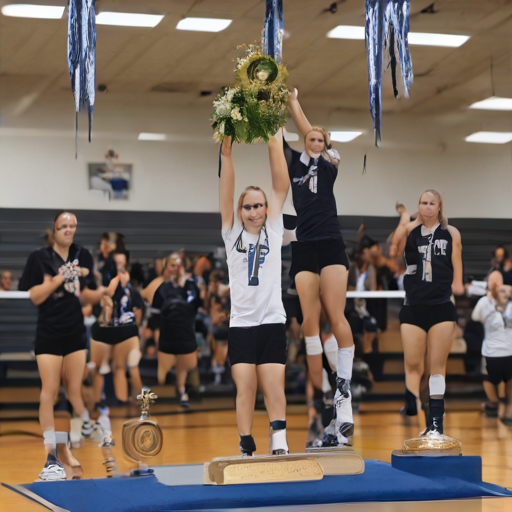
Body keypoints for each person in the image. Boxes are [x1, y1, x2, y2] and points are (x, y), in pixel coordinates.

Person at [286, 88, 355, 448]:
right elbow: (282, 139)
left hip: (329, 243)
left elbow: (307, 130)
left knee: (335, 314)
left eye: (319, 138)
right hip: (302, 246)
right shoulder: (295, 162)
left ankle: (344, 395)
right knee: (309, 324)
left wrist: (294, 102)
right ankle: (322, 402)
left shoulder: (330, 162)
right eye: (309, 138)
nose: (314, 140)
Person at [19, 212, 105, 480]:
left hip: (75, 333)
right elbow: (34, 296)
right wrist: (59, 278)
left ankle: (73, 444)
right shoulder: (40, 257)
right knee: (50, 390)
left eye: (72, 226)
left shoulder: (83, 254)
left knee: (75, 392)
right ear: (53, 230)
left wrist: (105, 292)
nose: (68, 230)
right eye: (63, 226)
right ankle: (51, 457)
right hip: (48, 332)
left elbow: (87, 295)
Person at [220, 131, 290, 456]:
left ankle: (279, 441)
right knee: (245, 387)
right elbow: (226, 189)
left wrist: (274, 140)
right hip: (241, 325)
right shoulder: (231, 232)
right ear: (240, 209)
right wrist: (226, 154)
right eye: (248, 207)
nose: (254, 211)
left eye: (259, 206)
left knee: (274, 384)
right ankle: (246, 443)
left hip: (272, 320)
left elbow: (281, 186)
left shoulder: (274, 229)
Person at [390, 191, 464, 436]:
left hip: (441, 306)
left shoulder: (451, 233)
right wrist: (407, 219)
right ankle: (412, 406)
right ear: (418, 206)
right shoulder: (410, 232)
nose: (428, 207)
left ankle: (435, 425)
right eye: (423, 203)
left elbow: (457, 271)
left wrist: (459, 285)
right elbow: (394, 248)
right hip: (413, 308)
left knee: (437, 367)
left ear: (440, 206)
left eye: (432, 203)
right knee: (412, 366)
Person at [89, 249, 143, 425]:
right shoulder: (107, 284)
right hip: (107, 330)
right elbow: (102, 306)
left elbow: (138, 316)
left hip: (125, 330)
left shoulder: (132, 291)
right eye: (116, 264)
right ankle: (97, 404)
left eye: (123, 264)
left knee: (123, 366)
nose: (120, 268)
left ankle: (129, 403)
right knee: (101, 367)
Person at [152, 252, 201, 406]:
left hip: (185, 332)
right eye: (173, 266)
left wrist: (187, 285)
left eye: (179, 266)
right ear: (167, 268)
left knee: (185, 364)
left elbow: (197, 303)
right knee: (163, 373)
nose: (176, 269)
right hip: (167, 333)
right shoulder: (162, 288)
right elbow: (155, 313)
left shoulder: (190, 286)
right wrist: (155, 334)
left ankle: (182, 389)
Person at [472, 271, 512, 426]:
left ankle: (500, 406)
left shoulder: (504, 299)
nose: (494, 282)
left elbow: (476, 317)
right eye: (491, 279)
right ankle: (498, 405)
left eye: (497, 279)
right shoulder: (485, 300)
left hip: (502, 350)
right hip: (495, 349)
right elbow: (476, 317)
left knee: (501, 379)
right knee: (494, 377)